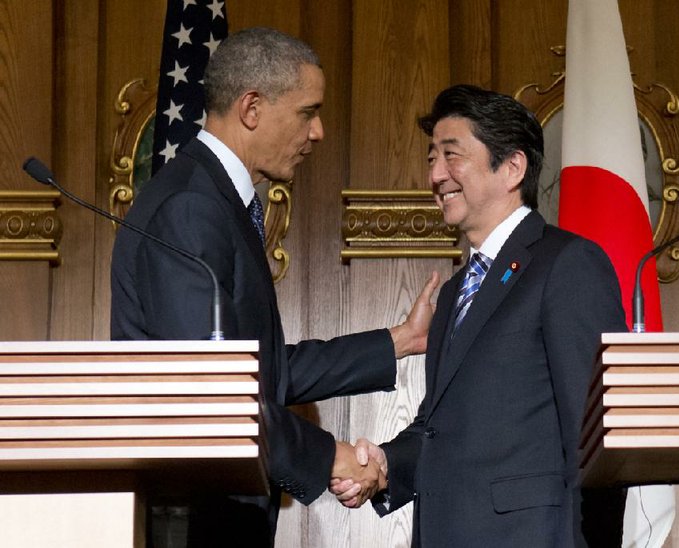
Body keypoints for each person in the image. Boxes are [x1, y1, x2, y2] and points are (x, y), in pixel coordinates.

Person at [110, 27, 438, 547]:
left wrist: (401, 341)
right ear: (252, 108)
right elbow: (209, 390)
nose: (319, 132)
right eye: (308, 112)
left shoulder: (218, 201)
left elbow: (262, 371)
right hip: (193, 516)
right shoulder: (192, 208)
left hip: (218, 506)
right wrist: (329, 455)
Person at [330, 84, 628, 547]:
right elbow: (440, 423)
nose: (437, 175)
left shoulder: (567, 265)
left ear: (512, 167)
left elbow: (598, 435)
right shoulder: (453, 294)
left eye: (453, 155)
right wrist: (388, 464)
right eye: (431, 158)